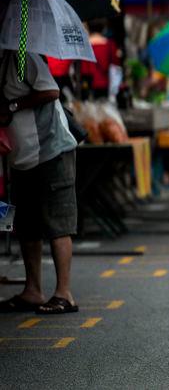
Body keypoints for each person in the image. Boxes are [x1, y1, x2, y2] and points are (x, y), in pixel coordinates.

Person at [0, 51, 79, 315]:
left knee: (58, 221)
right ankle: (33, 290)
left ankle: (64, 293)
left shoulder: (23, 57)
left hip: (50, 149)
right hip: (21, 156)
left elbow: (51, 91)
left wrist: (12, 106)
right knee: (26, 225)